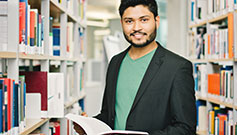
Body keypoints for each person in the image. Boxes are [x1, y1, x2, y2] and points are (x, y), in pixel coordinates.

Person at [74, 0, 196, 134]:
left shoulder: (177, 67)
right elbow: (109, 115)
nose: (136, 27)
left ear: (157, 21)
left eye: (144, 20)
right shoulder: (115, 62)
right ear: (122, 23)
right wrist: (90, 126)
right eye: (129, 21)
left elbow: (185, 128)